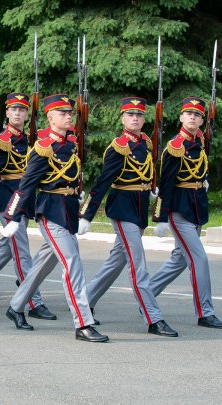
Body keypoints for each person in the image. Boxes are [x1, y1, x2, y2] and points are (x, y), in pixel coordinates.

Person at [2, 94, 107, 342]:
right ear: (50, 117)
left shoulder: (69, 144)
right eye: (62, 113)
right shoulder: (43, 147)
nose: (68, 116)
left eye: (70, 113)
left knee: (42, 264)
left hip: (68, 209)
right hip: (51, 210)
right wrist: (13, 215)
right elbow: (26, 185)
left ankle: (16, 306)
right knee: (72, 264)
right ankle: (83, 323)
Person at [78, 97, 177, 336]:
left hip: (139, 207)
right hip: (122, 209)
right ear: (122, 118)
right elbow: (102, 183)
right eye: (130, 114)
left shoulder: (144, 142)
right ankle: (153, 317)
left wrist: (152, 193)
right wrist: (87, 215)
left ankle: (85, 303)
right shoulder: (118, 147)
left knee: (117, 260)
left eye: (139, 115)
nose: (135, 118)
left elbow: (148, 172)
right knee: (138, 265)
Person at [0, 93, 56, 320]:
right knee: (21, 251)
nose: (18, 113)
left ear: (27, 114)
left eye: (22, 110)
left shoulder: (29, 139)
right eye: (14, 110)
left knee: (6, 249)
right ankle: (33, 301)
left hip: (25, 197)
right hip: (8, 199)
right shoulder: (2, 140)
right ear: (7, 113)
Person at [149, 96, 222, 329]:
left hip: (196, 207)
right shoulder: (175, 147)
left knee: (178, 260)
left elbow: (199, 170)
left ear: (202, 120)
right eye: (188, 114)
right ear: (181, 117)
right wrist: (161, 217)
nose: (192, 117)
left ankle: (146, 293)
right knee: (198, 258)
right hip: (179, 209)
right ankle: (205, 312)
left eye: (197, 115)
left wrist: (203, 180)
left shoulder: (200, 141)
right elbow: (167, 183)